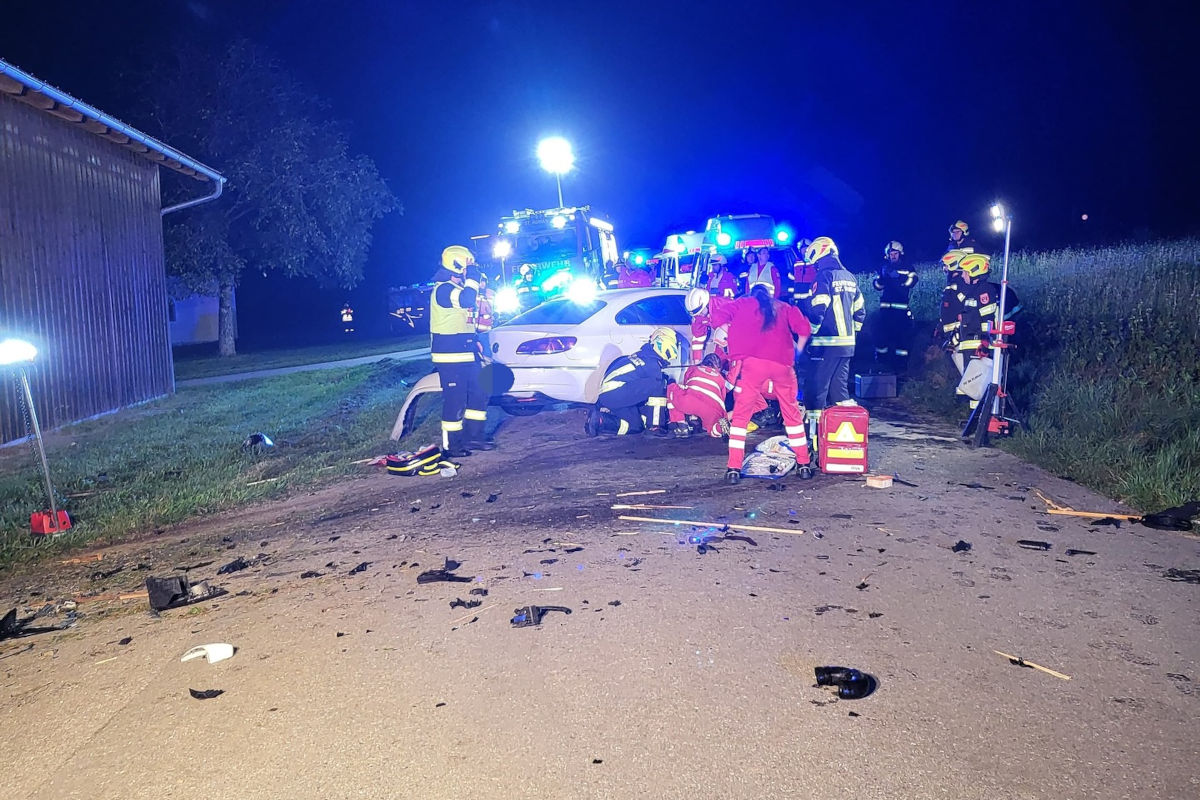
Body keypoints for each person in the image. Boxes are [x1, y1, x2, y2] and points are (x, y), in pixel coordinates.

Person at [708, 283, 813, 483]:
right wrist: (798, 352)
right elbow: (804, 329)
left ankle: (733, 469)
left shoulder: (741, 304)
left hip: (752, 365)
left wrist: (731, 333)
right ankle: (804, 465)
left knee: (740, 418)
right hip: (783, 366)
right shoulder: (783, 307)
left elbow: (716, 318)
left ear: (751, 293)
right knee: (791, 414)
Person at [431, 246, 492, 457]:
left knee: (480, 392)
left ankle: (474, 437)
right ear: (457, 265)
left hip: (467, 350)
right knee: (455, 400)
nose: (471, 270)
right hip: (449, 355)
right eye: (468, 266)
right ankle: (452, 445)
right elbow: (466, 300)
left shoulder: (457, 289)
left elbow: (463, 318)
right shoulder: (443, 289)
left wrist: (474, 340)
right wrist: (473, 277)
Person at [946, 253, 1020, 407]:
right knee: (972, 384)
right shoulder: (973, 291)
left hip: (979, 343)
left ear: (974, 271)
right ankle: (975, 417)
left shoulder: (984, 291)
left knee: (978, 384)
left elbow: (987, 320)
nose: (963, 276)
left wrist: (985, 343)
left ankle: (979, 419)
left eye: (965, 272)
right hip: (970, 342)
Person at [803, 236, 865, 413]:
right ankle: (843, 428)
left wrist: (810, 333)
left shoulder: (823, 276)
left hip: (827, 342)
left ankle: (813, 432)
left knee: (818, 387)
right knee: (839, 390)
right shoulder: (850, 277)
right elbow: (860, 311)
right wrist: (853, 333)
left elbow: (818, 308)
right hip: (847, 344)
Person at [585, 328, 677, 436]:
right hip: (616, 394)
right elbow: (654, 395)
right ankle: (655, 427)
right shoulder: (652, 366)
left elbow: (639, 389)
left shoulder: (640, 355)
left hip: (609, 395)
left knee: (636, 426)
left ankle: (600, 420)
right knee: (659, 385)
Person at [872, 241, 918, 371]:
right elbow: (877, 286)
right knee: (882, 337)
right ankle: (881, 363)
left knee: (902, 339)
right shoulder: (883, 267)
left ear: (900, 254)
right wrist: (881, 277)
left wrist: (898, 278)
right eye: (891, 253)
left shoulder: (908, 267)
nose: (893, 256)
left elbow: (912, 281)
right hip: (886, 310)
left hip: (901, 310)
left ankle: (901, 366)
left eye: (895, 253)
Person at [666, 353, 732, 439]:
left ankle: (681, 424)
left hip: (690, 401)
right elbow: (722, 398)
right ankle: (717, 428)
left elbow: (687, 384)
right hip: (711, 410)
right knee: (713, 431)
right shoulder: (721, 378)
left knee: (672, 387)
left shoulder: (693, 368)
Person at [938, 248, 974, 374]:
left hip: (959, 335)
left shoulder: (961, 284)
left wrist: (957, 332)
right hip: (952, 335)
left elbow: (963, 307)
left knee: (965, 371)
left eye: (946, 266)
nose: (944, 269)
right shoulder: (954, 283)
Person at [791, 238, 817, 307]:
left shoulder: (814, 262)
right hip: (798, 297)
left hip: (810, 297)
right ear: (800, 250)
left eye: (807, 248)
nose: (805, 250)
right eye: (803, 248)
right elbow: (791, 277)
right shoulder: (796, 262)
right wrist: (791, 294)